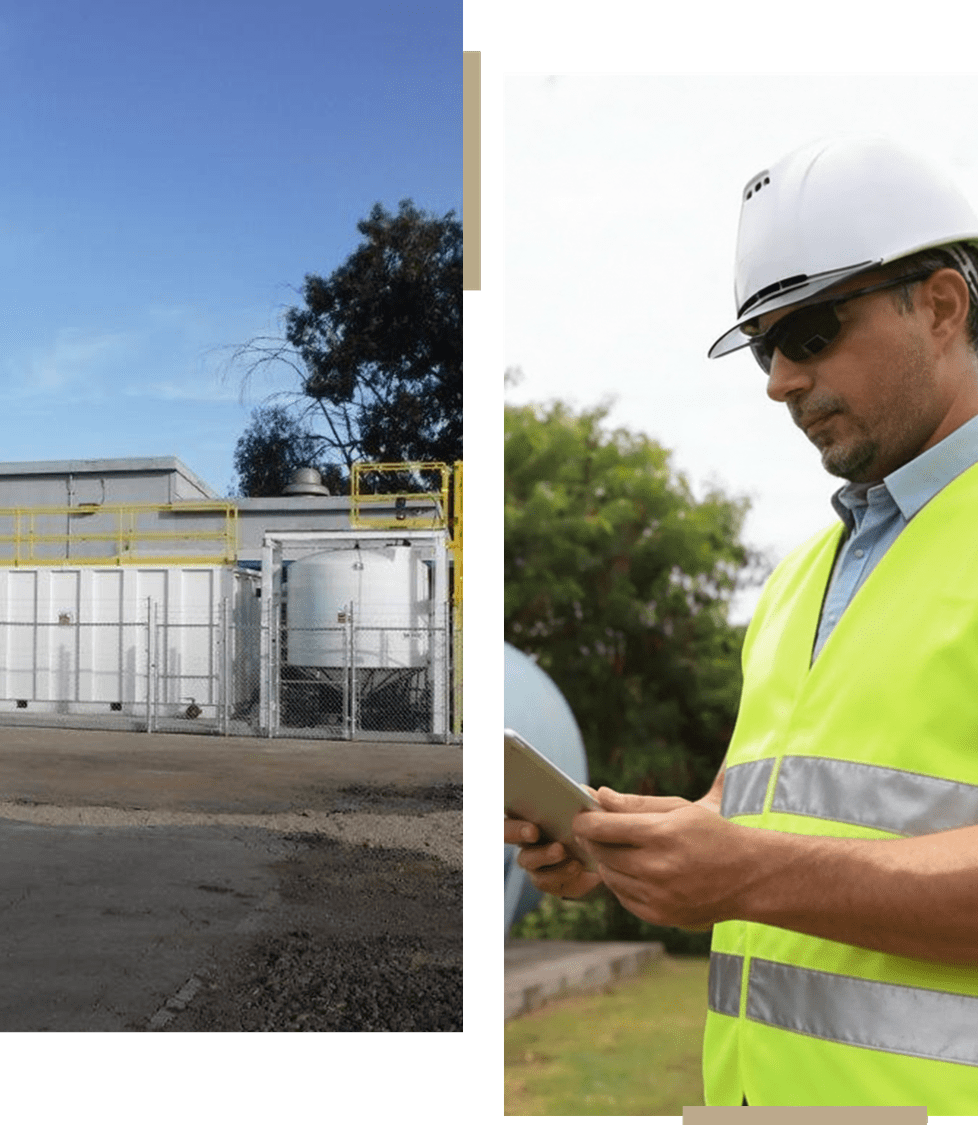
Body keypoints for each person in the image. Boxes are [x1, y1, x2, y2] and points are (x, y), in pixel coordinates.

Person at [503, 135, 978, 1111]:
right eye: (763, 347)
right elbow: (752, 811)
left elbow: (766, 863)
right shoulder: (805, 575)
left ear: (940, 306)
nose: (777, 382)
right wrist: (627, 844)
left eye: (808, 332)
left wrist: (750, 874)